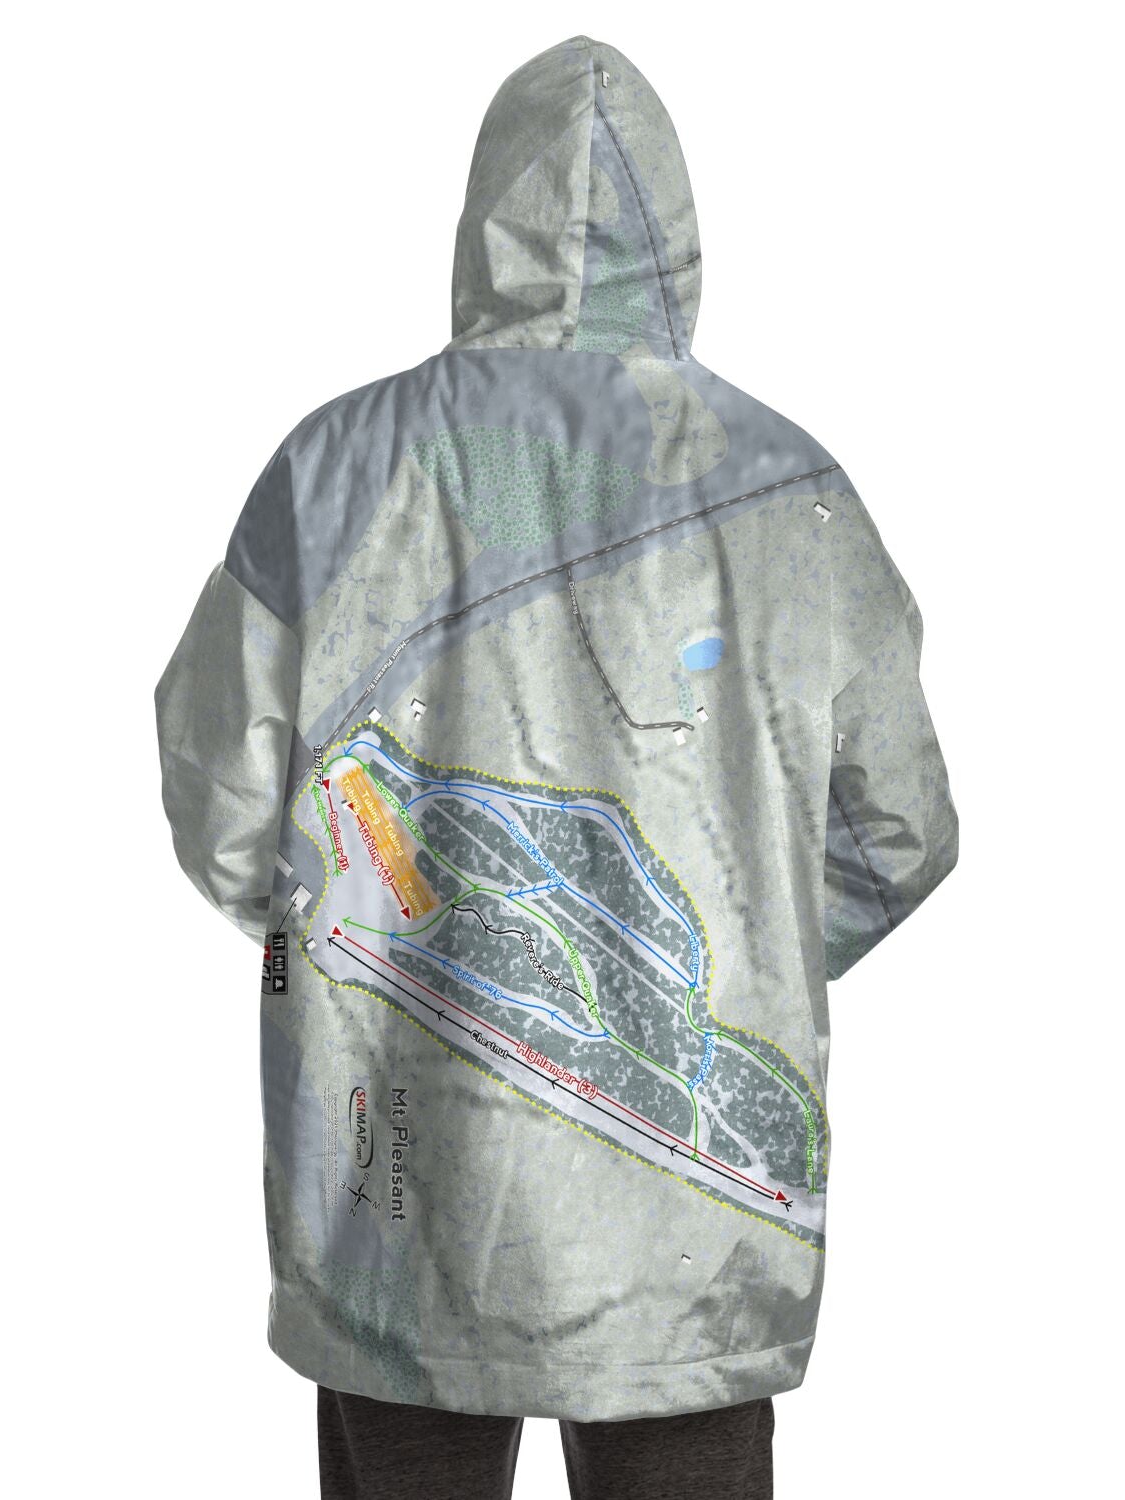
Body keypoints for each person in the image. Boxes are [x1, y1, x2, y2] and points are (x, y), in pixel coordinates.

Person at [156, 33, 958, 1499]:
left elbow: (223, 814)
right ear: (681, 234)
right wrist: (745, 964)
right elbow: (900, 833)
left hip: (396, 1180)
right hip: (693, 1226)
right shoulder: (797, 493)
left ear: (482, 226)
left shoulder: (331, 467)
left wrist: (360, 960)